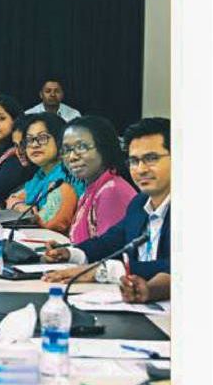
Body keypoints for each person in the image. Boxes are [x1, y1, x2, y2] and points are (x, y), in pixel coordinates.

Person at [43, 118, 171, 284]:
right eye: (134, 161)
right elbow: (109, 243)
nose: (141, 169)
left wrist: (104, 271)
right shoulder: (140, 204)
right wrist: (70, 253)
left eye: (152, 158)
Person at [62, 116, 137, 244]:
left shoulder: (111, 191)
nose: (72, 157)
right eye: (67, 150)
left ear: (104, 148)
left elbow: (108, 251)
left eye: (81, 147)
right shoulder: (93, 187)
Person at [6, 112, 82, 234]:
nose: (34, 145)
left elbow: (52, 221)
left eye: (42, 138)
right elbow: (12, 198)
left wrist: (28, 213)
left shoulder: (67, 175)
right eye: (29, 140)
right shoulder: (40, 175)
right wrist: (19, 206)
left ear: (60, 140)